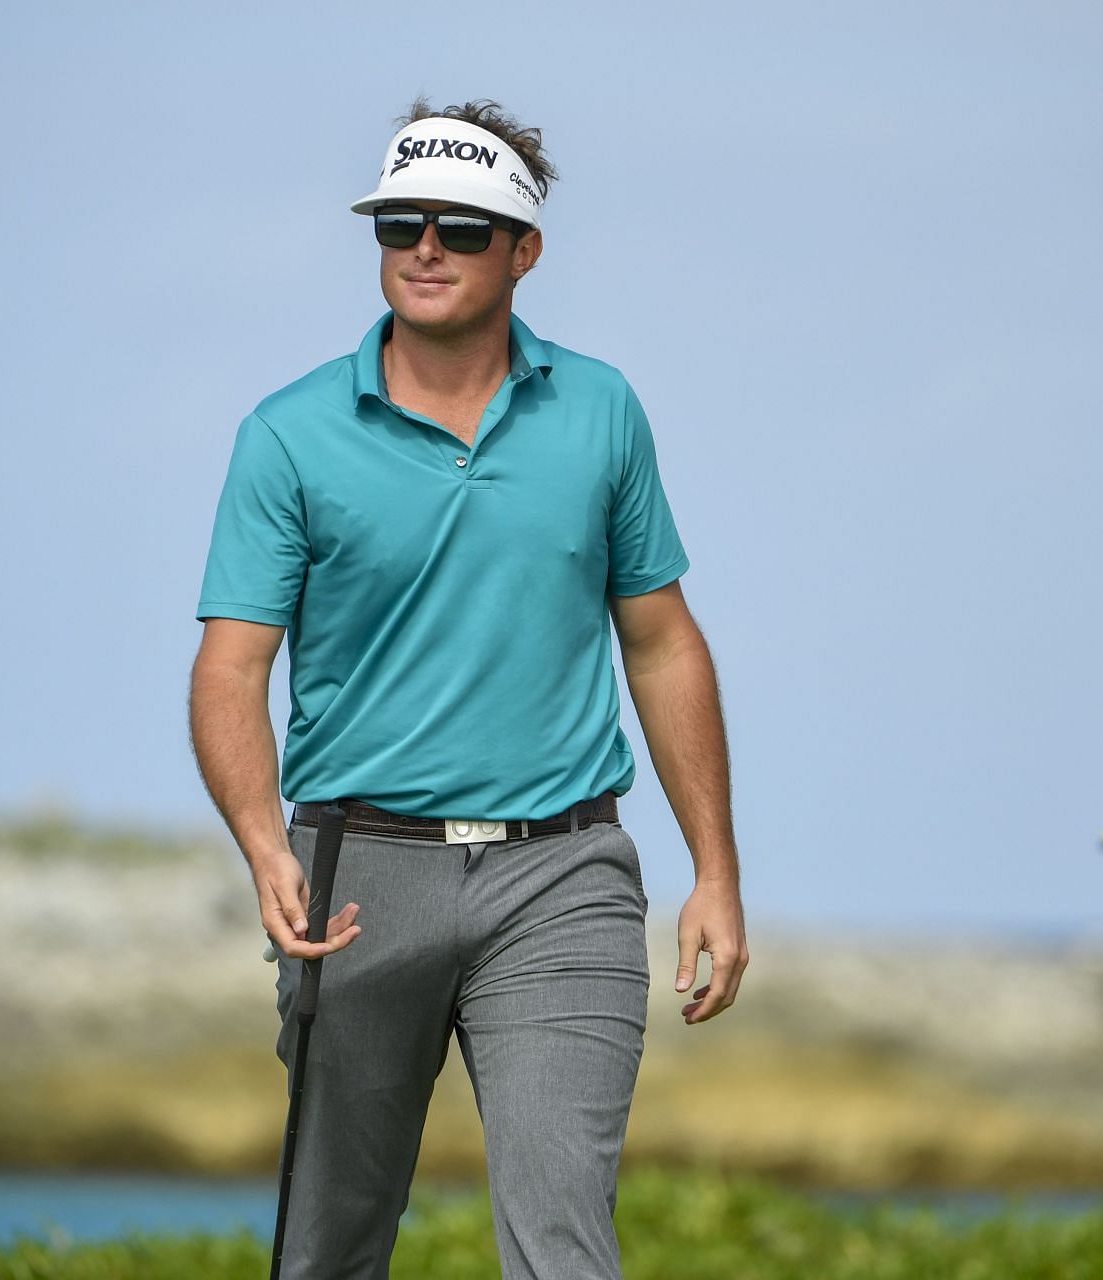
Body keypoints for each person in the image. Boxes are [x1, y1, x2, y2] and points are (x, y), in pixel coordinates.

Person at [188, 98, 748, 1280]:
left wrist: (716, 871)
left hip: (566, 873)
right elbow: (232, 666)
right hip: (356, 873)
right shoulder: (287, 434)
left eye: (461, 226)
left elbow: (662, 642)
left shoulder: (601, 411)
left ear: (525, 250)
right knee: (328, 1249)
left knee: (563, 1242)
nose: (426, 247)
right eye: (400, 223)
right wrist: (261, 842)